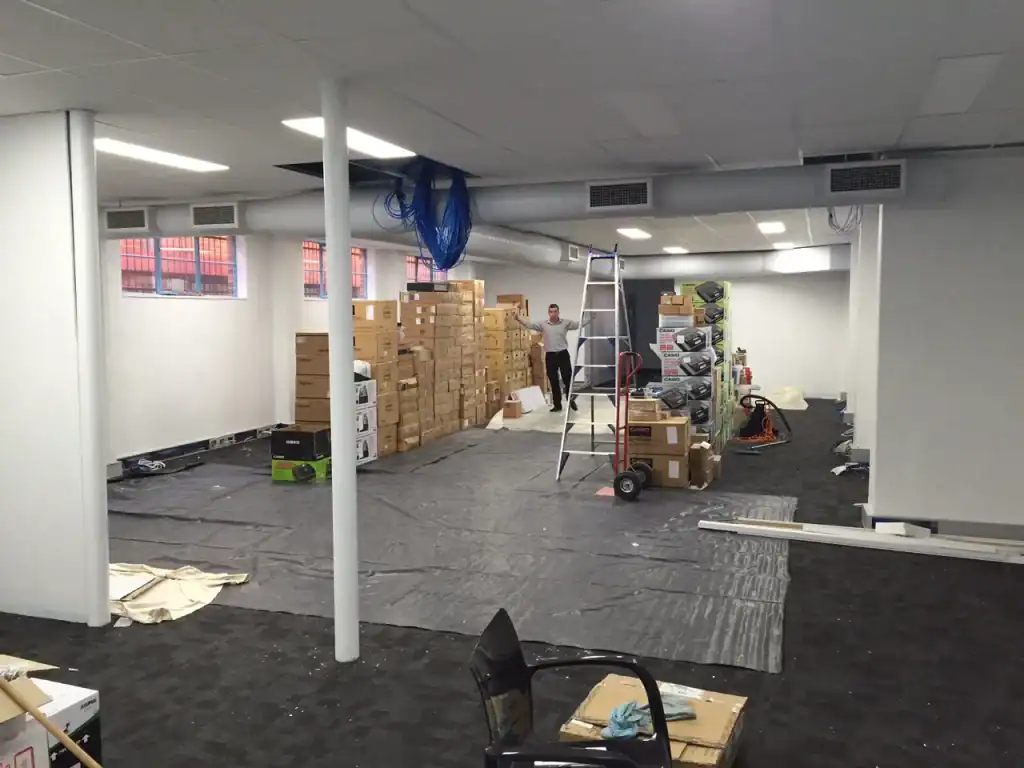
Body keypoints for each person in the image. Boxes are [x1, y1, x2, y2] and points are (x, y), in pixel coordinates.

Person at [516, 303, 591, 412]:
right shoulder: (543, 325)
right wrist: (518, 318)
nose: (553, 314)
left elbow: (578, 324)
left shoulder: (565, 323)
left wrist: (591, 319)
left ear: (558, 313)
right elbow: (529, 325)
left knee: (567, 379)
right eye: (551, 312)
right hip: (550, 356)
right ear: (548, 313)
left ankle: (570, 399)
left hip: (563, 354)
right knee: (553, 381)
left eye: (555, 311)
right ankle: (557, 405)